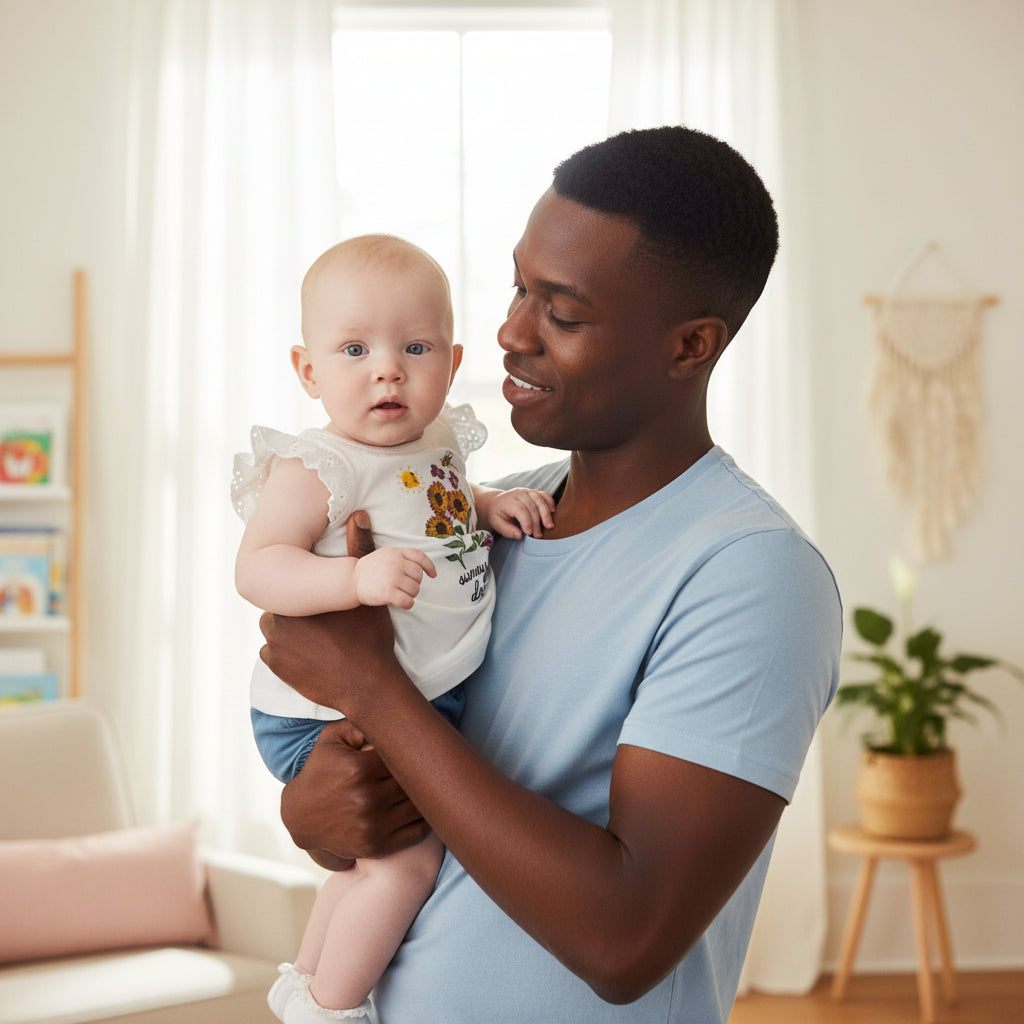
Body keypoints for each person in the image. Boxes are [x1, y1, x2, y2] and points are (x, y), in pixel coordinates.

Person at [258, 126, 843, 1023]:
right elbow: (392, 770)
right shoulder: (487, 512)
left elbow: (625, 938)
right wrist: (319, 810)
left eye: (563, 314)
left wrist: (371, 686)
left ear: (690, 346)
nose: (508, 333)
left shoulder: (752, 576)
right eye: (518, 288)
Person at [231, 234, 555, 1023]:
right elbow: (259, 566)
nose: (388, 369)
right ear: (309, 371)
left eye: (416, 346)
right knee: (406, 866)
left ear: (451, 360)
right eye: (354, 349)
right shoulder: (321, 467)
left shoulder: (436, 442)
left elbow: (434, 505)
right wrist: (351, 578)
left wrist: (486, 506)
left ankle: (301, 982)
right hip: (325, 712)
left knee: (364, 868)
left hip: (410, 697)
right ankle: (334, 1010)